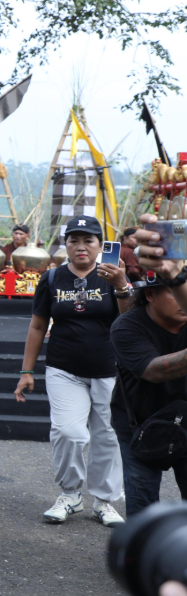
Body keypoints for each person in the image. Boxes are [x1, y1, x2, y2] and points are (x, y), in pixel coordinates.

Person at [14, 215, 130, 526]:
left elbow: (131, 319)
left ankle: (105, 501)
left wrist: (120, 285)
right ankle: (70, 494)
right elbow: (38, 325)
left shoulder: (114, 276)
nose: (80, 247)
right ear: (65, 244)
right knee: (68, 432)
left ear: (100, 245)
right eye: (73, 240)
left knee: (107, 435)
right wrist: (27, 370)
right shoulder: (52, 279)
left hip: (110, 369)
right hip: (64, 368)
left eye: (88, 240)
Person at [108, 215, 187, 516]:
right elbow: (153, 370)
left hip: (185, 417)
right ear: (151, 294)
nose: (181, 297)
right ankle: (139, 559)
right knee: (142, 503)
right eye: (172, 290)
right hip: (138, 422)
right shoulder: (127, 327)